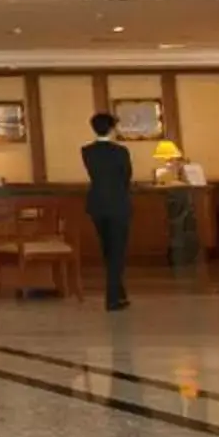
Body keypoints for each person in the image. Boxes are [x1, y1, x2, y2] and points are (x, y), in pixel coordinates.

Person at [82, 111, 133, 311]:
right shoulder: (121, 152)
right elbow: (126, 176)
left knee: (107, 249)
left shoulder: (86, 151)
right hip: (118, 204)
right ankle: (112, 297)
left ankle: (120, 292)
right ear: (112, 128)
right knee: (117, 251)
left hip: (97, 204)